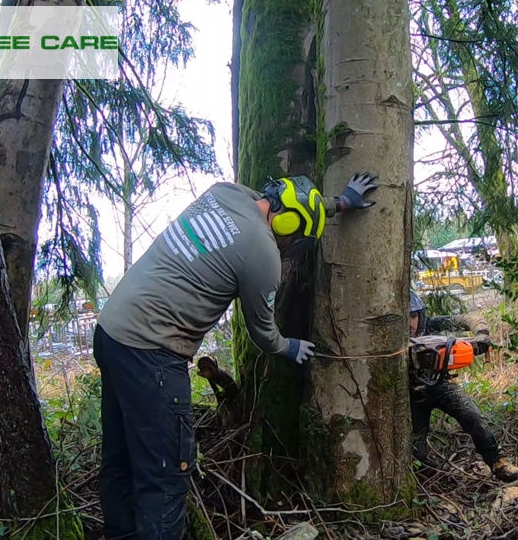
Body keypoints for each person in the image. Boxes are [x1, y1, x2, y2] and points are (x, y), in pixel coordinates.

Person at [93, 172, 380, 539]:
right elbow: (262, 332)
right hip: (152, 352)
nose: (288, 243)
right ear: (287, 222)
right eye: (293, 236)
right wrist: (287, 347)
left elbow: (292, 204)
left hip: (112, 332)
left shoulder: (225, 193)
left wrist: (338, 203)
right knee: (164, 474)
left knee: (120, 460)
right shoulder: (262, 252)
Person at [408, 290, 518, 482]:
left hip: (440, 384)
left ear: (420, 315)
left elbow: (467, 318)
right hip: (412, 396)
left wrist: (481, 334)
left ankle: (498, 463)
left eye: (413, 316)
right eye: (406, 317)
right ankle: (427, 476)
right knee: (416, 446)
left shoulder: (431, 324)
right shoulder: (391, 340)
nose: (410, 323)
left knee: (472, 416)